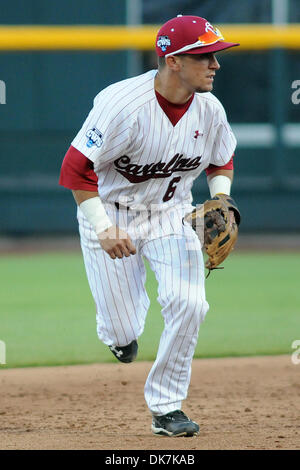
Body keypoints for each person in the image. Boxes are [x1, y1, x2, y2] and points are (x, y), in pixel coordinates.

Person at [59, 14, 239, 437]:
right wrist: (103, 226)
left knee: (190, 303)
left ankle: (167, 407)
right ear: (173, 60)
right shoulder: (122, 105)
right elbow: (74, 169)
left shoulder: (209, 108)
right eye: (206, 56)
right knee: (123, 326)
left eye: (216, 56)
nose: (216, 65)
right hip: (110, 213)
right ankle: (117, 336)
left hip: (172, 215)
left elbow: (220, 157)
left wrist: (221, 196)